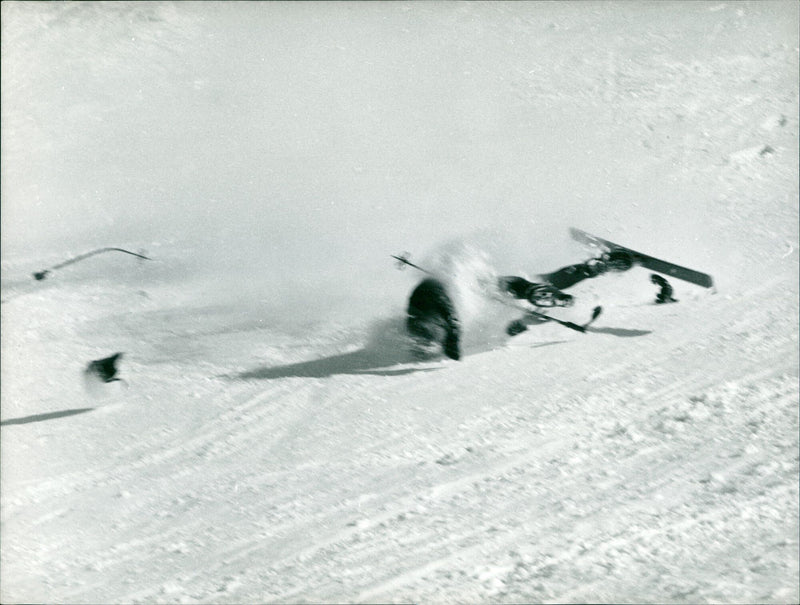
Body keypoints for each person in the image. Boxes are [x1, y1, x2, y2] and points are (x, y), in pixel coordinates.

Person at [405, 249, 636, 360]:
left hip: (476, 292)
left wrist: (453, 336)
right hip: (493, 319)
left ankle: (589, 269)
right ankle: (535, 302)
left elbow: (449, 315)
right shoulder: (423, 335)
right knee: (512, 321)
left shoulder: (430, 306)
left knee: (520, 286)